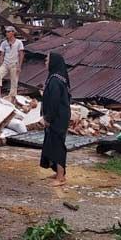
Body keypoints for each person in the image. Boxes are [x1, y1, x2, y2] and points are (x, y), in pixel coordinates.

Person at [40, 52, 72, 187]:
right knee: (52, 143)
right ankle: (59, 172)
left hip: (58, 117)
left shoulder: (55, 80)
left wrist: (48, 118)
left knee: (58, 145)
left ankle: (60, 177)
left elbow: (54, 102)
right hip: (60, 115)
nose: (45, 62)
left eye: (47, 60)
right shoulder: (58, 77)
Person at [0, 26, 24, 99]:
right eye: (6, 32)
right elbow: (2, 55)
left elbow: (21, 54)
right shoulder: (4, 43)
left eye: (8, 31)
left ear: (13, 33)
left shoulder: (18, 42)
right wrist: (1, 64)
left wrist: (19, 66)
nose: (6, 33)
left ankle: (12, 97)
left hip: (14, 64)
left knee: (14, 81)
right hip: (5, 63)